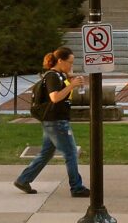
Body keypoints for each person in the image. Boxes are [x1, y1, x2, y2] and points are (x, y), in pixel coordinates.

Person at [13, 47, 90, 197]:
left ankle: (23, 179)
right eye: (69, 62)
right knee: (71, 153)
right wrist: (72, 85)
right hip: (56, 121)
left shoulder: (59, 75)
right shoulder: (52, 77)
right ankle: (76, 187)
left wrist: (72, 79)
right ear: (60, 60)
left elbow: (66, 77)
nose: (71, 66)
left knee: (46, 153)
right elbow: (54, 97)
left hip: (53, 120)